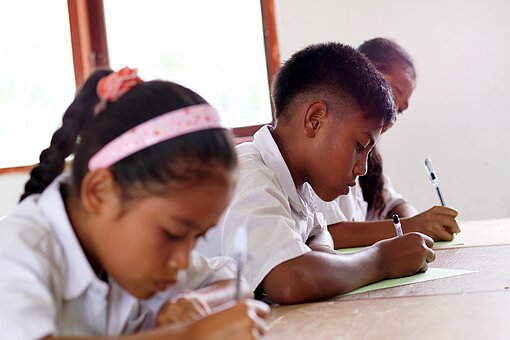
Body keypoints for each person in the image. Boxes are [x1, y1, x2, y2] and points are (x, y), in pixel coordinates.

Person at [0, 67, 269, 339]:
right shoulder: (15, 251)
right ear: (100, 192)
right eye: (173, 234)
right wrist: (191, 334)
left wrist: (197, 303)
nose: (183, 261)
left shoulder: (120, 252)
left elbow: (233, 281)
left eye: (196, 237)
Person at [196, 42, 436, 305]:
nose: (362, 168)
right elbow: (288, 281)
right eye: (359, 147)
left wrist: (320, 256)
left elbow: (320, 235)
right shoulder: (249, 172)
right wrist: (381, 260)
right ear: (315, 120)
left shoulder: (301, 185)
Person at [318, 38, 460, 249]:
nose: (392, 116)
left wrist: (421, 224)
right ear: (363, 76)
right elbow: (324, 233)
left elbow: (393, 203)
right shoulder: (324, 149)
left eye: (399, 111)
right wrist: (411, 226)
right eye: (392, 94)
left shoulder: (369, 159)